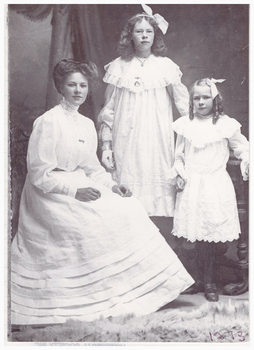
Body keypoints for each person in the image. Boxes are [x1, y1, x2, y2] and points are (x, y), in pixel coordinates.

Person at [11, 59, 194, 326]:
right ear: (60, 87)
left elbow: (91, 167)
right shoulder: (48, 122)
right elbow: (39, 174)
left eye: (83, 86)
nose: (78, 91)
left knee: (128, 208)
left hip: (81, 184)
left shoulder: (85, 123)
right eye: (71, 85)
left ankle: (144, 289)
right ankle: (96, 295)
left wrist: (111, 185)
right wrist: (74, 191)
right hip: (49, 194)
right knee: (93, 221)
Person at [98, 5, 189, 228]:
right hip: (126, 136)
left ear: (155, 35)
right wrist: (106, 145)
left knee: (157, 185)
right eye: (139, 31)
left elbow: (184, 105)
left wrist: (200, 131)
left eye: (149, 31)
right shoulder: (119, 66)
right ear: (130, 35)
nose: (144, 36)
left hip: (156, 135)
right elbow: (108, 111)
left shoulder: (166, 66)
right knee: (127, 192)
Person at [168, 78, 249, 302]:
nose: (201, 102)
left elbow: (241, 146)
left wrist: (246, 158)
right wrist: (180, 173)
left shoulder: (224, 124)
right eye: (197, 97)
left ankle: (210, 279)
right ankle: (201, 281)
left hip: (215, 184)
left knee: (211, 235)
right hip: (193, 184)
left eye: (206, 97)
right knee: (197, 235)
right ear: (191, 100)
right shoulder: (186, 124)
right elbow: (179, 155)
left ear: (214, 99)